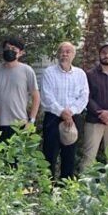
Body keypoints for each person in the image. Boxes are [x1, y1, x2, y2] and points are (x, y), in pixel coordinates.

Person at [40, 41, 89, 180]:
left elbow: (84, 96)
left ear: (73, 55)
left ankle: (65, 189)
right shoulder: (49, 72)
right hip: (53, 118)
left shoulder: (80, 74)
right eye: (62, 51)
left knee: (70, 154)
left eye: (68, 51)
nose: (65, 54)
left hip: (73, 118)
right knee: (49, 154)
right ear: (57, 54)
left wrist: (70, 112)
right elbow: (46, 96)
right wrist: (62, 112)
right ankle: (47, 189)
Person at [0, 37, 40, 140]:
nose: (10, 51)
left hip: (20, 125)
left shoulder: (27, 71)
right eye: (7, 48)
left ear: (21, 53)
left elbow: (36, 96)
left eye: (14, 49)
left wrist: (31, 121)